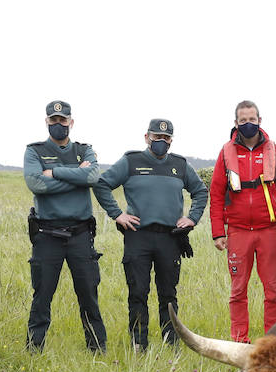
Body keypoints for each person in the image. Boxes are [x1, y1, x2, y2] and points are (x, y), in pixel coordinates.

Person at [95, 117, 208, 350]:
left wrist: (192, 218)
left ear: (171, 141)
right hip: (138, 235)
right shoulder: (131, 161)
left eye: (166, 138)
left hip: (170, 237)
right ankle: (139, 342)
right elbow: (102, 184)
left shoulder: (180, 165)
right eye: (157, 137)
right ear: (147, 137)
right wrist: (117, 214)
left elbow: (200, 191)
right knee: (138, 291)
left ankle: (171, 342)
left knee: (168, 293)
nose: (161, 141)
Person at [22, 100, 108, 353]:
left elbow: (92, 177)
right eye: (53, 120)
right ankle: (34, 350)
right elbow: (36, 184)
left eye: (63, 120)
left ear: (71, 121)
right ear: (46, 122)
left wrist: (54, 172)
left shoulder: (84, 150)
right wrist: (75, 175)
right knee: (42, 296)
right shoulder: (34, 151)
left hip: (80, 235)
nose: (58, 124)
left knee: (88, 295)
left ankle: (97, 349)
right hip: (47, 235)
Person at [209, 100, 276, 341]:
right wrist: (218, 232)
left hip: (270, 231)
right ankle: (239, 340)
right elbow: (216, 194)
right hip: (238, 231)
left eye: (252, 120)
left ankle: (273, 341)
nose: (248, 124)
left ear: (260, 121)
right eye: (243, 120)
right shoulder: (226, 153)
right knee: (237, 291)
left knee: (274, 292)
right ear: (236, 123)